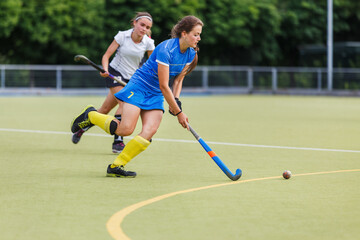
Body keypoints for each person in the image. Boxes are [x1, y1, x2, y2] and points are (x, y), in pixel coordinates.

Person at [71, 15, 203, 178]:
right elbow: (164, 84)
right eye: (196, 34)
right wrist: (178, 113)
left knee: (150, 130)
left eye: (199, 34)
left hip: (155, 94)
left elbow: (178, 80)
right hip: (139, 86)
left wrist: (176, 100)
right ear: (184, 33)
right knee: (125, 129)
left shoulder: (191, 54)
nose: (199, 38)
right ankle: (90, 115)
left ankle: (116, 166)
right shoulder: (166, 49)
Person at [71, 12, 155, 154]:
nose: (144, 29)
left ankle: (83, 125)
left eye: (147, 27)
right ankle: (118, 141)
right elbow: (106, 56)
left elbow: (152, 66)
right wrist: (105, 69)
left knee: (103, 111)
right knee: (125, 104)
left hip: (132, 79)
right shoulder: (122, 36)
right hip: (114, 73)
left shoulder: (148, 43)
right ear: (134, 23)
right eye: (142, 25)